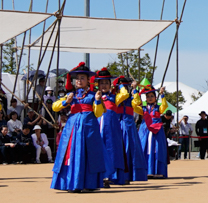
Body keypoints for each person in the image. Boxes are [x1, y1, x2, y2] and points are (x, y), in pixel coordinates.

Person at [50, 62, 107, 192]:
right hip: (72, 128)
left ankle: (88, 184)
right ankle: (71, 183)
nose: (79, 81)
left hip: (89, 128)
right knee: (70, 153)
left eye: (82, 78)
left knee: (89, 154)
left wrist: (98, 100)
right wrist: (66, 102)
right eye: (77, 78)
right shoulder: (71, 95)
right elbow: (54, 107)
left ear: (88, 80)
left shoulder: (93, 95)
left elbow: (98, 113)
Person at [92, 68, 123, 186]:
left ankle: (110, 176)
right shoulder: (94, 97)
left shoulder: (115, 97)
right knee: (98, 150)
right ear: (97, 85)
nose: (104, 85)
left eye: (106, 83)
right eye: (101, 83)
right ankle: (99, 175)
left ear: (110, 85)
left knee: (112, 150)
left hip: (111, 129)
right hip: (97, 126)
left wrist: (120, 84)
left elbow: (125, 94)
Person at [133, 80, 170, 178]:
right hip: (145, 129)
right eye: (148, 96)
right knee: (144, 148)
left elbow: (164, 106)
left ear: (155, 97)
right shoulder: (143, 109)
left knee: (157, 149)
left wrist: (162, 95)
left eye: (152, 96)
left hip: (157, 130)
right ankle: (146, 171)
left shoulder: (158, 108)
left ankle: (158, 171)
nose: (150, 98)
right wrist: (135, 91)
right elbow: (135, 107)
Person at [114, 75, 148, 182]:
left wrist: (135, 90)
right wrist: (121, 87)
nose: (125, 88)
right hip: (118, 124)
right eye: (123, 86)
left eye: (126, 86)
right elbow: (122, 96)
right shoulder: (116, 97)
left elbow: (137, 103)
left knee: (131, 148)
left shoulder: (131, 98)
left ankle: (130, 175)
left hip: (129, 125)